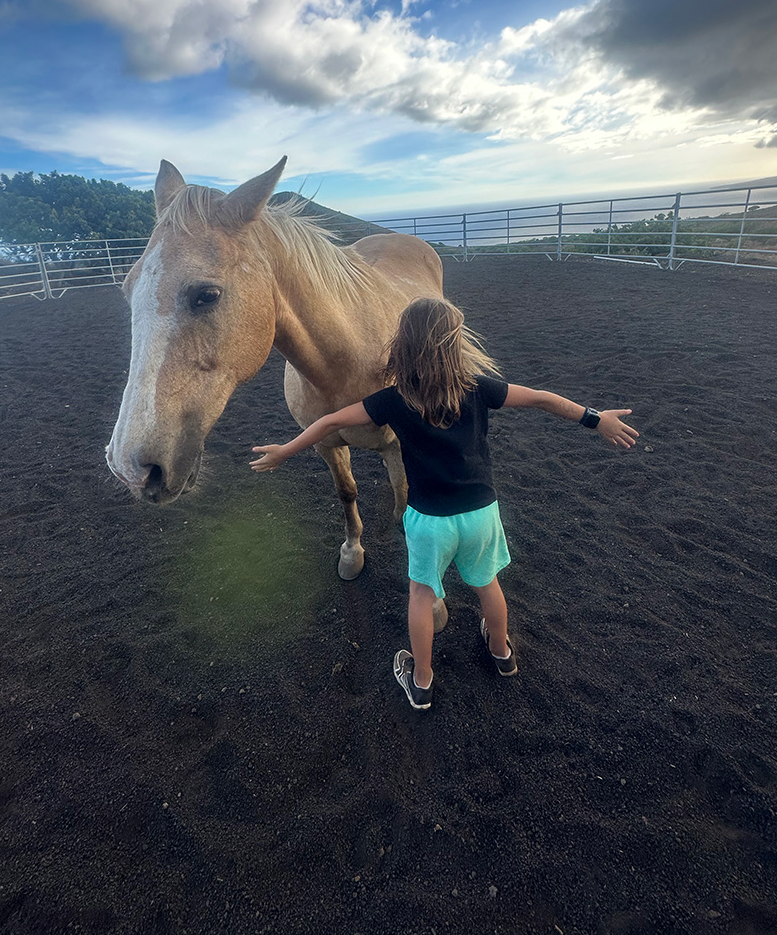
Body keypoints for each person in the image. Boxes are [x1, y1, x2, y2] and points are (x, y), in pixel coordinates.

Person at [251, 297, 638, 711]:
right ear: (455, 343)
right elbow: (543, 398)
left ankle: (421, 681)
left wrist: (285, 451)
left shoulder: (391, 400)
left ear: (403, 344)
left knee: (421, 594)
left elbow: (329, 423)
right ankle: (502, 655)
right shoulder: (479, 388)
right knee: (486, 582)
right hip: (481, 513)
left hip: (429, 520)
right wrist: (596, 420)